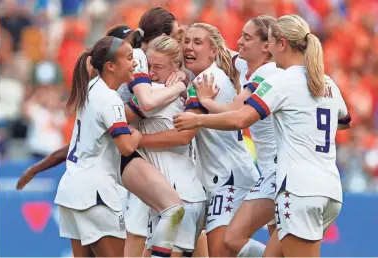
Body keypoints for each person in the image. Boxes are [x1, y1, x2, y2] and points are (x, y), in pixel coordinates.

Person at [173, 14, 351, 257]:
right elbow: (342, 122)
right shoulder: (326, 81)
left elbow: (240, 118)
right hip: (330, 188)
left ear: (281, 44)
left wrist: (198, 118)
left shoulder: (280, 80)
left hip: (298, 188)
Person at [48, 36, 186, 257]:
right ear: (111, 66)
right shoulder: (110, 99)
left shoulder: (92, 87)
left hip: (72, 190)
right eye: (130, 58)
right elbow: (126, 147)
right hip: (96, 195)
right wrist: (137, 133)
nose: (135, 64)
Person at [137, 23, 260, 257]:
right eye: (187, 42)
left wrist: (138, 139)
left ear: (213, 51)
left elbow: (184, 134)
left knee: (221, 250)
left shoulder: (207, 79)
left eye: (197, 42)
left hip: (228, 176)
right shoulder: (197, 77)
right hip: (214, 179)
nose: (189, 47)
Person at [192, 15, 281, 257]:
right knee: (272, 243)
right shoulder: (246, 66)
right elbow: (224, 52)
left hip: (278, 173)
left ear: (266, 46)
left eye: (247, 37)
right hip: (267, 172)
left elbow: (237, 114)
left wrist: (204, 104)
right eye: (241, 34)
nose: (240, 41)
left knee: (229, 243)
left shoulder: (269, 72)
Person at [126, 35, 207, 257]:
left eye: (158, 67)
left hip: (177, 197)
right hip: (177, 196)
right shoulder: (179, 91)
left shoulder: (155, 94)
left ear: (175, 67)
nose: (151, 73)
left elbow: (118, 116)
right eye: (148, 66)